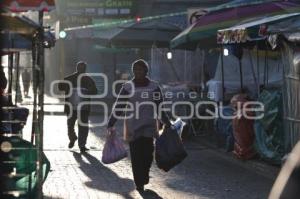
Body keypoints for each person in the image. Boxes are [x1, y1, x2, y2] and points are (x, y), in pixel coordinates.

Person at [107, 59, 171, 192]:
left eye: (140, 69)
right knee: (136, 155)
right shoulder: (127, 87)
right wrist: (111, 122)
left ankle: (145, 174)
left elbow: (160, 107)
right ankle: (139, 182)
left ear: (145, 71)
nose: (137, 71)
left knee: (148, 154)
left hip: (149, 125)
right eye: (135, 69)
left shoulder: (154, 86)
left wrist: (166, 121)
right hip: (133, 126)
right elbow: (119, 106)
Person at [58, 61, 97, 153]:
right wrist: (66, 86)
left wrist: (89, 90)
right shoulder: (69, 78)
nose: (81, 69)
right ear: (76, 68)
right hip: (71, 107)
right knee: (70, 125)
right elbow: (60, 87)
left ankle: (82, 145)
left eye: (83, 68)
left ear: (85, 69)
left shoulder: (89, 80)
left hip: (84, 108)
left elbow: (95, 91)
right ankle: (72, 138)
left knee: (83, 127)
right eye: (80, 67)